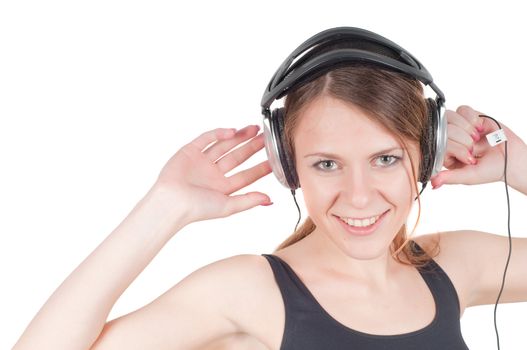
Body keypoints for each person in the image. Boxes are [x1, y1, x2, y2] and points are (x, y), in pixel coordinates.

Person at [12, 27, 527, 350]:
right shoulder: (249, 291)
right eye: (326, 163)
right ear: (288, 165)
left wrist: (520, 168)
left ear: (426, 155)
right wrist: (163, 209)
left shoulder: (453, 267)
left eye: (385, 159)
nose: (360, 195)